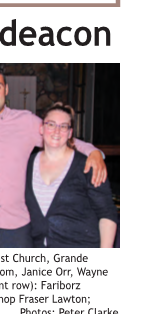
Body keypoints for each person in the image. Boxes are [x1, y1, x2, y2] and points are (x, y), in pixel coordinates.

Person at [0, 68, 106, 248]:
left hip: (18, 225)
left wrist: (94, 152)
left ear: (6, 89)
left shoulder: (26, 121)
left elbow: (58, 135)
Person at [25, 103, 118, 248]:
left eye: (63, 126)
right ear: (41, 129)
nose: (57, 131)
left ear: (69, 133)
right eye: (51, 124)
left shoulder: (87, 166)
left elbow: (107, 214)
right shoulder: (28, 164)